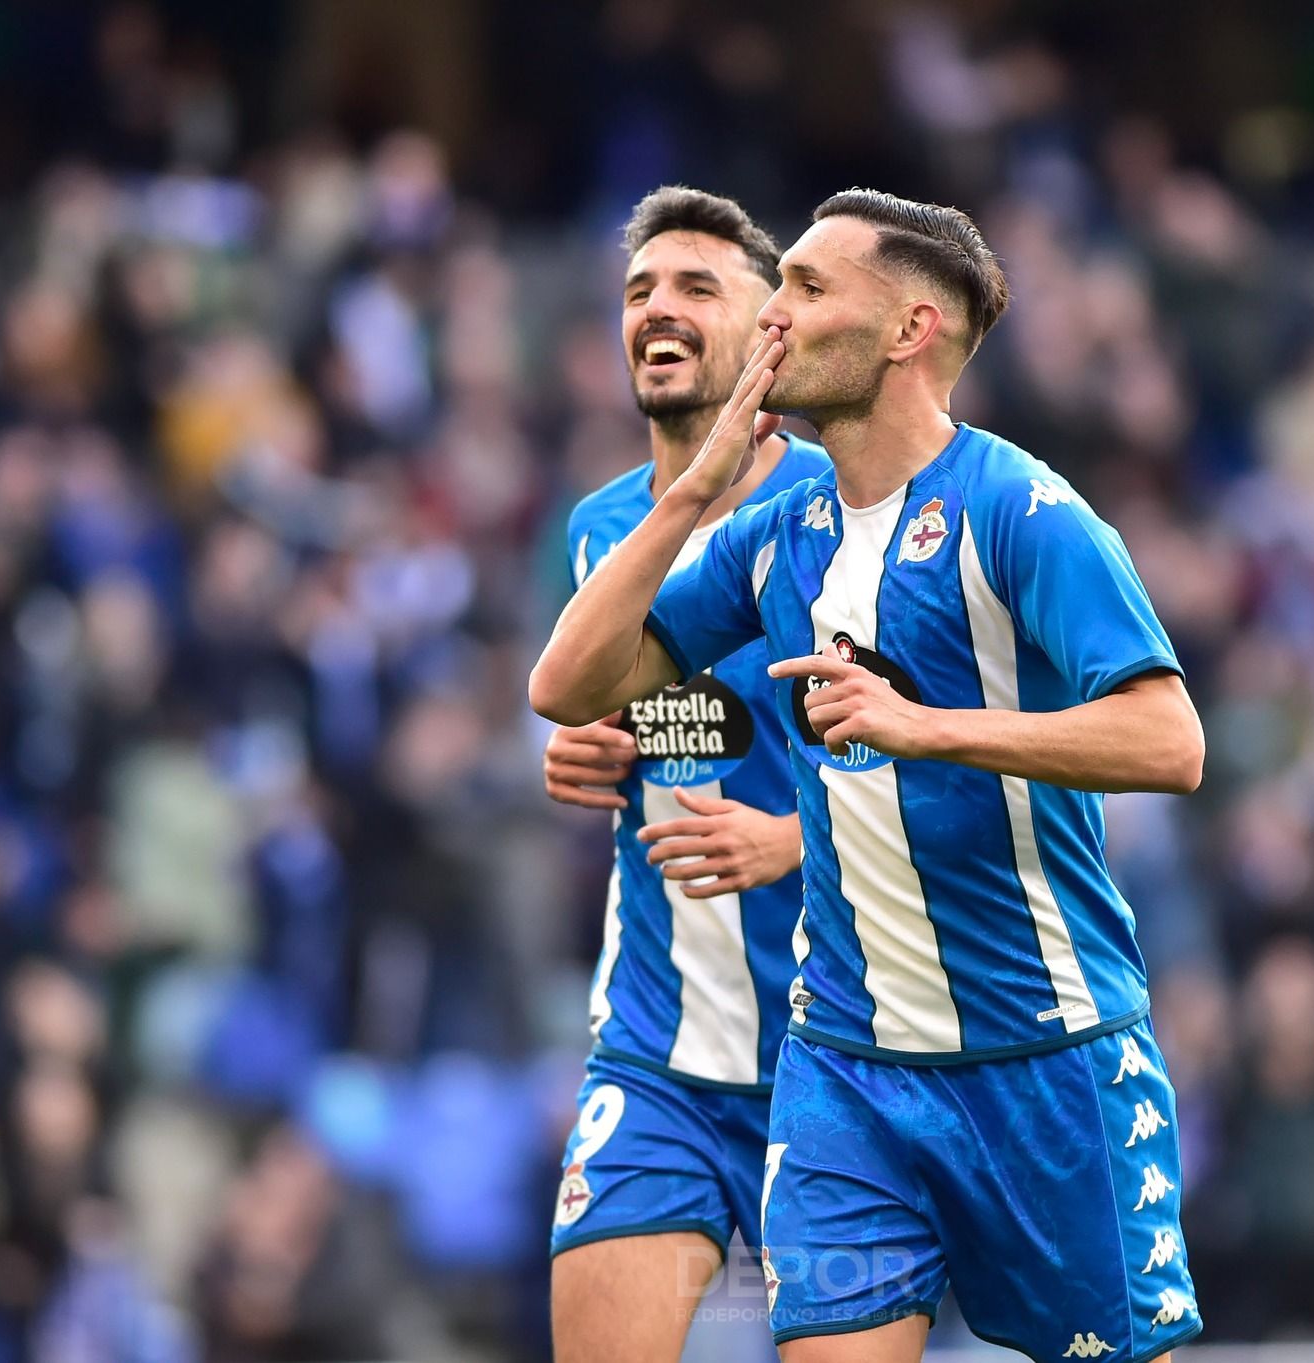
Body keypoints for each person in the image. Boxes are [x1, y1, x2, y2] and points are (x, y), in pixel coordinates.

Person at [531, 187, 1206, 1363]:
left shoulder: (1022, 510)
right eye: (775, 283)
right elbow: (570, 684)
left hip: (1043, 1054)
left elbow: (1170, 743)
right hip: (841, 1066)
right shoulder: (757, 535)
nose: (774, 318)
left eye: (799, 287)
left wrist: (921, 727)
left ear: (907, 332)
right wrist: (690, 495)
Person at [541, 186, 832, 1363]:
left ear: (772, 329)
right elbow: (651, 708)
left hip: (841, 1056)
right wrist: (583, 745)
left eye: (696, 286)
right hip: (660, 1052)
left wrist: (793, 842)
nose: (657, 307)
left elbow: (985, 774)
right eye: (638, 291)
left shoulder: (851, 513)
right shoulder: (599, 527)